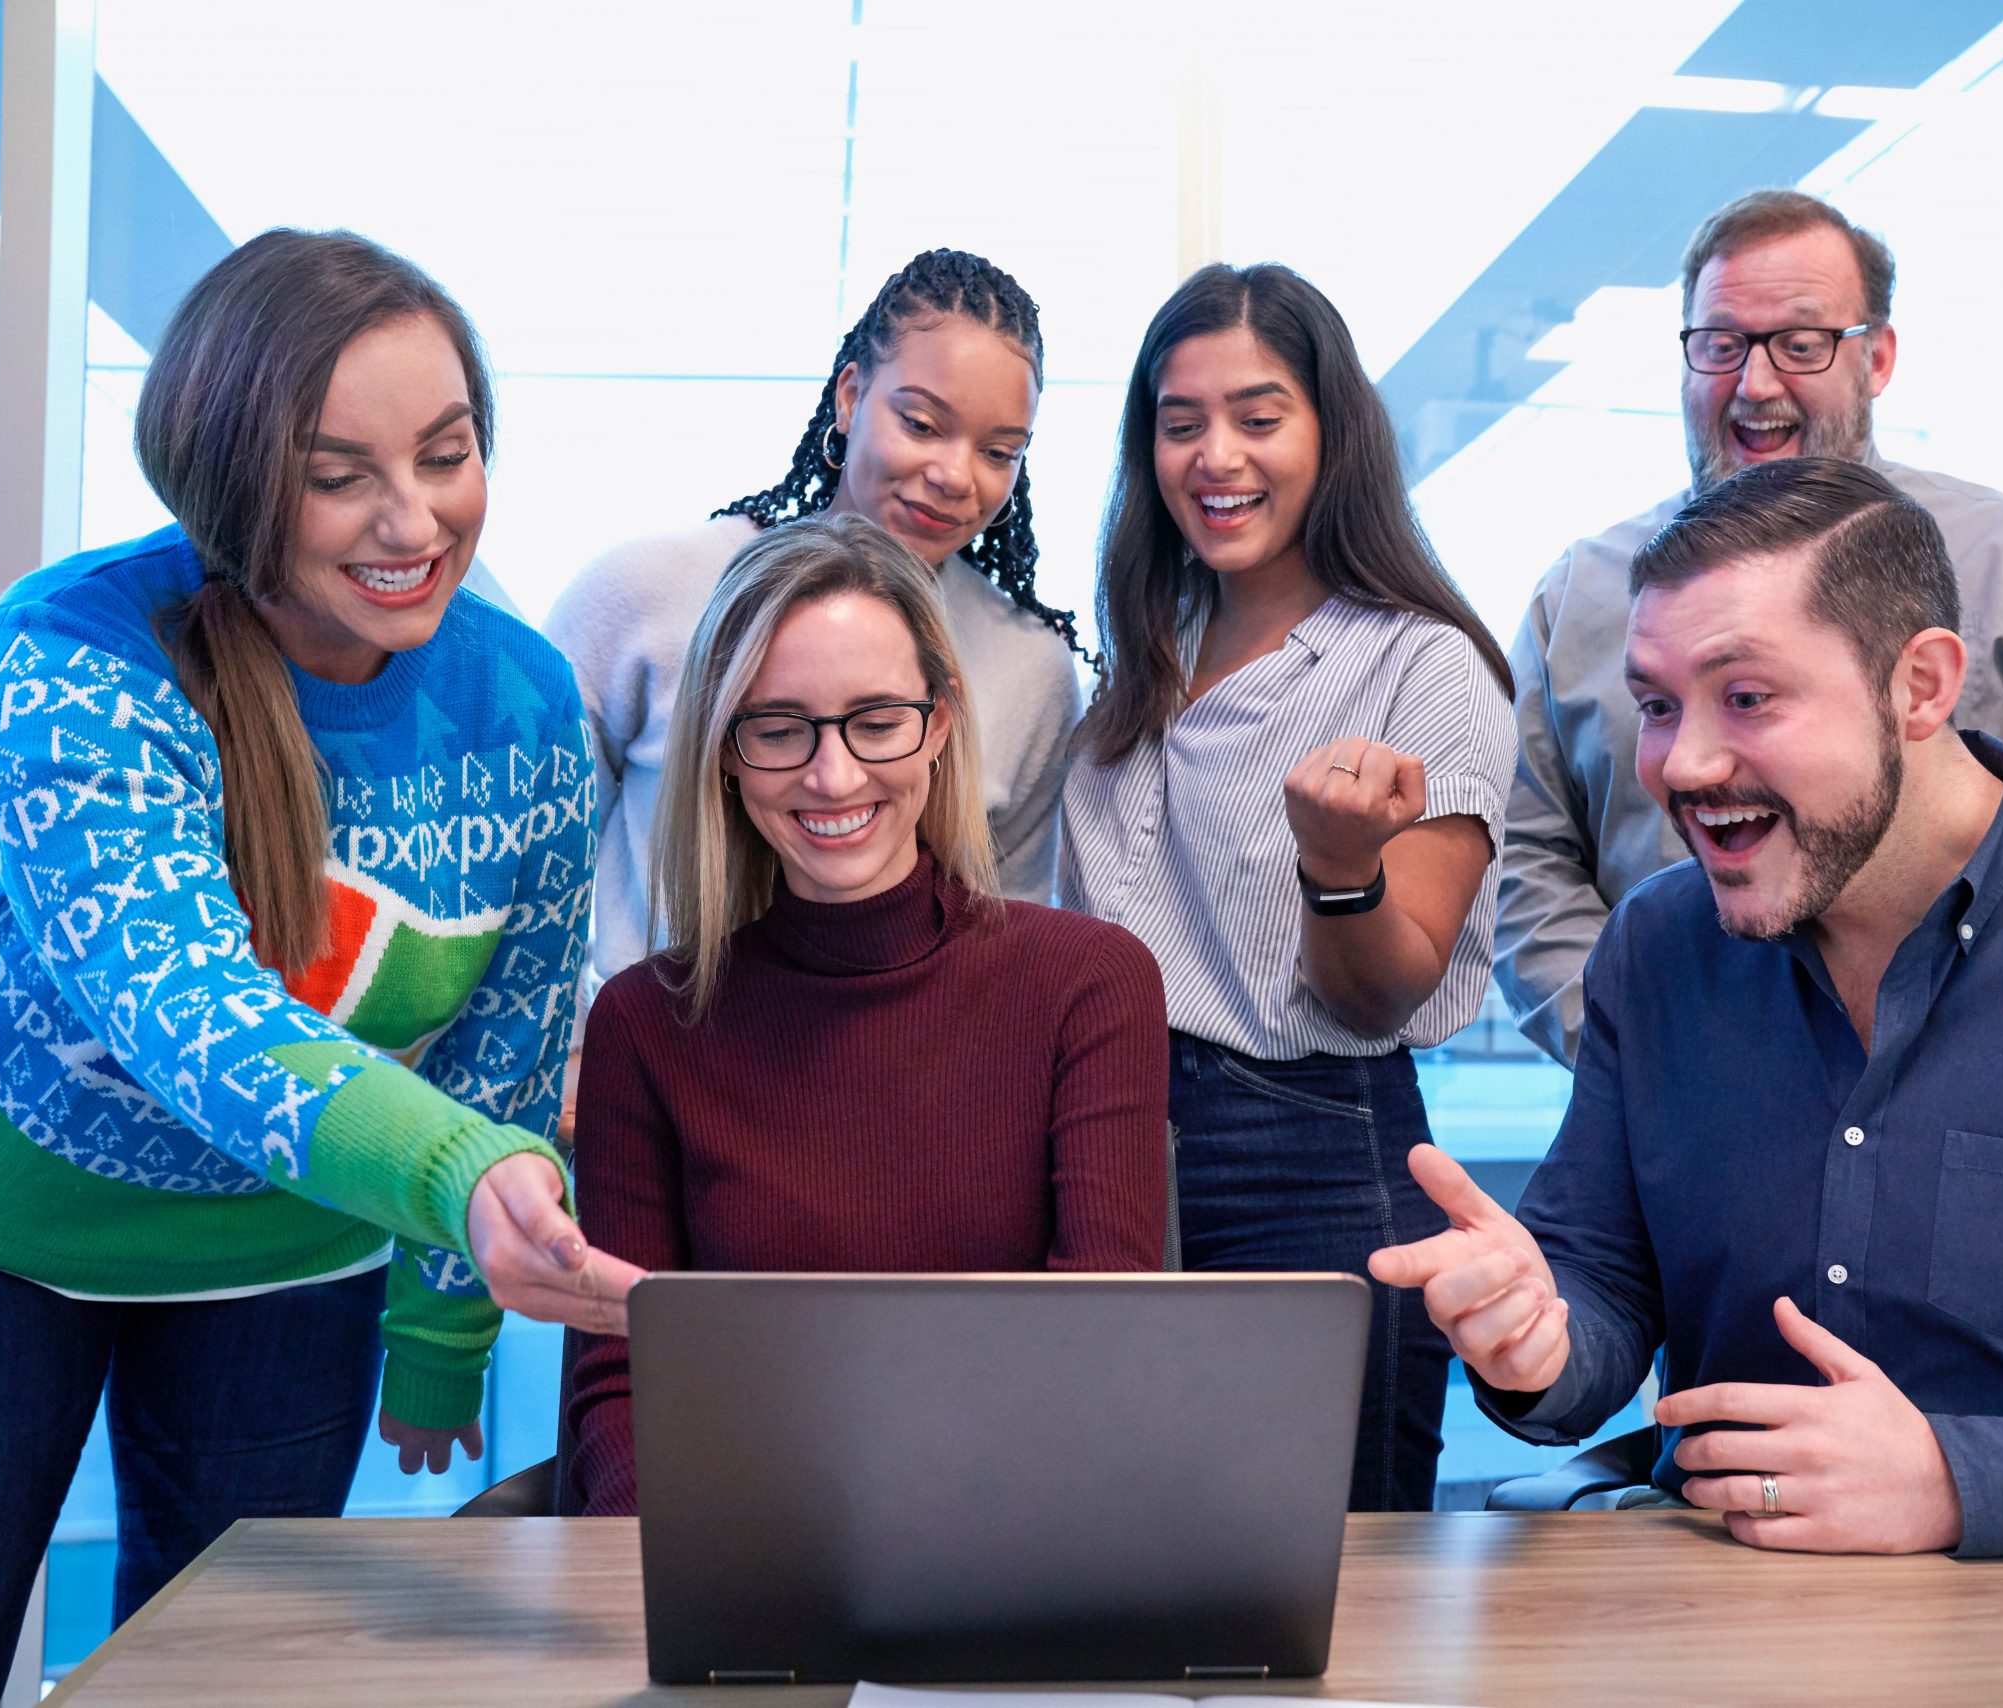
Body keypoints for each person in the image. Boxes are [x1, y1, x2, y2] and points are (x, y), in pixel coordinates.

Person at [0, 229, 641, 1701]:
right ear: (230, 472)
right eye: (338, 472)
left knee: (228, 1684)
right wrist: (455, 1182)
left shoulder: (522, 695)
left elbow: (512, 1016)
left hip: (281, 1257)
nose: (413, 518)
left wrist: (443, 1315)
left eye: (447, 453)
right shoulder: (67, 659)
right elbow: (193, 1012)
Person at [1375, 458, 2003, 1558]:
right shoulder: (1656, 950)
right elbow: (1598, 1284)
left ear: (1921, 688)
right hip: (1726, 1628)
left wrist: (1963, 1483)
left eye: (1746, 697)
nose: (1680, 764)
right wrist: (1537, 1338)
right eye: (1654, 704)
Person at [1495, 188, 2003, 1066]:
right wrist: (1643, 1053)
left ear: (1876, 358)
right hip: (1682, 1118)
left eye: (1801, 345)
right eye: (1720, 345)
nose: (1755, 385)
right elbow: (1523, 869)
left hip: (1983, 1087)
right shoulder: (1581, 597)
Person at [565, 513, 1168, 1516]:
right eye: (777, 726)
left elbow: (1094, 1348)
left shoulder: (1088, 984)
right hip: (738, 1550)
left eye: (874, 720)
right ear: (722, 749)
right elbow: (619, 1390)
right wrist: (682, 1575)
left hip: (1013, 1545)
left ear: (938, 721)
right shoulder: (645, 1024)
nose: (831, 774)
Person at [1062, 263, 1518, 1513]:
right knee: (1117, 1554)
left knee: (1325, 1587)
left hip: (1311, 1152)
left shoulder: (1423, 668)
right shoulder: (1143, 654)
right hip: (1112, 1140)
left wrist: (1337, 867)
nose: (1217, 455)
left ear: (1331, 434)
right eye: (1179, 421)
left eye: (1259, 417)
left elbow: (1385, 992)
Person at [546, 249, 1086, 1058]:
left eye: (999, 450)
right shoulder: (645, 594)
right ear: (850, 396)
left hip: (883, 1102)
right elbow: (525, 867)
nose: (954, 475)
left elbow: (993, 950)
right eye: (923, 422)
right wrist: (571, 1054)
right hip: (647, 1085)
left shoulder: (1031, 669)